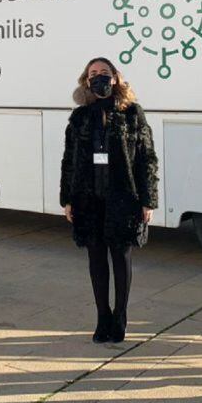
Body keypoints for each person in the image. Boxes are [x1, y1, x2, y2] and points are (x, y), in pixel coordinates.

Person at [60, 57, 157, 344]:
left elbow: (147, 159)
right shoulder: (79, 117)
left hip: (123, 198)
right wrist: (67, 199)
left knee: (121, 258)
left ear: (115, 78)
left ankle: (120, 316)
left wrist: (148, 200)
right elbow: (69, 160)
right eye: (93, 73)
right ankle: (102, 316)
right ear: (86, 80)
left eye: (104, 72)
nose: (99, 77)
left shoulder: (132, 113)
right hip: (88, 199)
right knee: (96, 260)